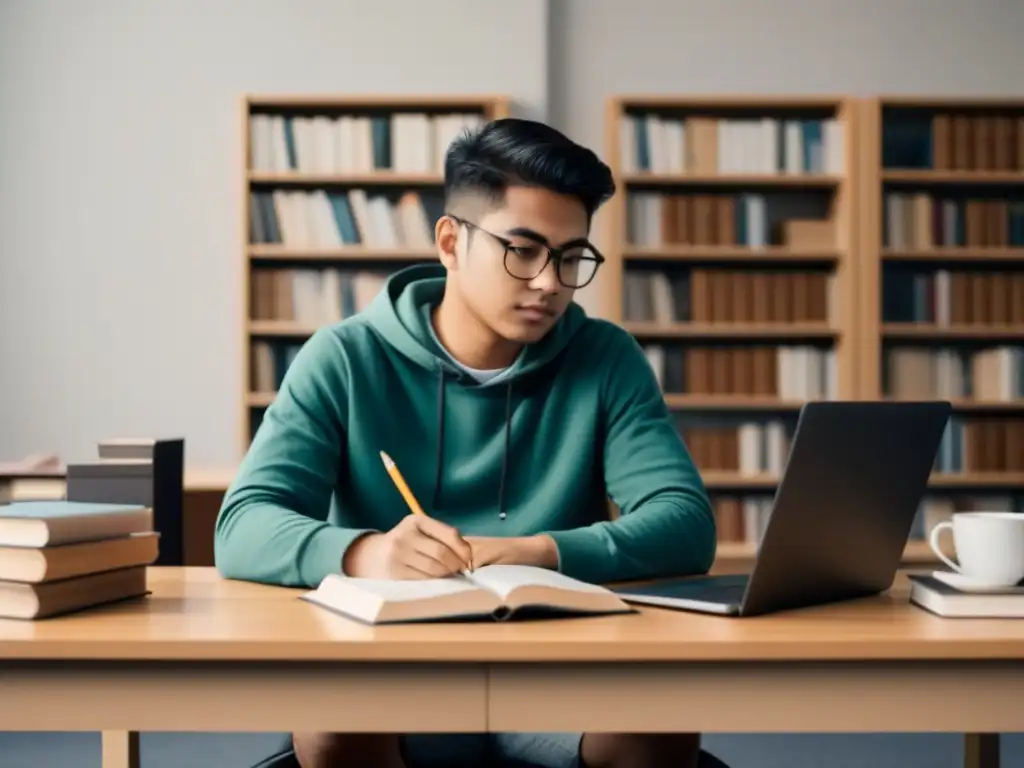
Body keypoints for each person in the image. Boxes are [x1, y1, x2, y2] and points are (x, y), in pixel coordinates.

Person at [216, 117, 719, 768]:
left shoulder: (605, 358)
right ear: (451, 243)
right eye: (524, 250)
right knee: (333, 724)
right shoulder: (343, 357)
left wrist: (540, 553)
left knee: (661, 727)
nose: (549, 283)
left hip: (560, 671)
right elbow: (241, 526)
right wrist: (367, 552)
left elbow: (685, 524)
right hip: (392, 669)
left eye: (571, 258)